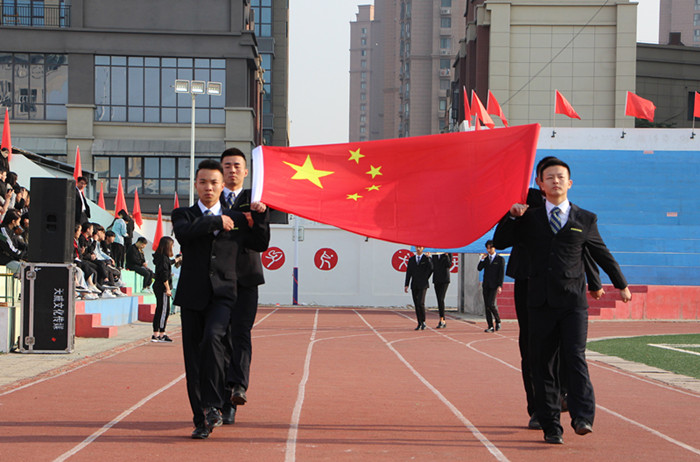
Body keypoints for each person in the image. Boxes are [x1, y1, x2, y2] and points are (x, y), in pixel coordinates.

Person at [493, 158, 631, 445]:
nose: (556, 181)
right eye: (549, 177)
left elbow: (597, 253)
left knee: (575, 356)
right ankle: (550, 424)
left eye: (561, 177)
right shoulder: (529, 216)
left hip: (572, 301)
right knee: (540, 361)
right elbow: (502, 241)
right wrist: (512, 216)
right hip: (539, 300)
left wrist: (620, 283)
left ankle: (582, 417)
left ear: (569, 183)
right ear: (540, 184)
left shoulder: (585, 219)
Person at [172, 159, 269, 439]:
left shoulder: (237, 219)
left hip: (224, 295)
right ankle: (201, 419)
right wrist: (216, 220)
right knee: (193, 360)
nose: (208, 187)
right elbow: (184, 234)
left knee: (213, 338)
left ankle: (214, 405)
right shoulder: (183, 214)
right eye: (203, 182)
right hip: (192, 297)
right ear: (196, 185)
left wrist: (260, 216)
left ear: (222, 185)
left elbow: (259, 243)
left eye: (214, 183)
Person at [219, 148, 270, 425]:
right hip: (217, 279)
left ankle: (237, 389)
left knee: (240, 334)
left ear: (246, 171)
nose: (232, 170)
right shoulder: (212, 198)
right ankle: (223, 396)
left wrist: (259, 217)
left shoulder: (255, 199)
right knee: (219, 337)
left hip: (247, 279)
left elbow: (261, 243)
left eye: (237, 166)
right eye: (227, 165)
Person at [151, 236, 181, 343]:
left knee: (160, 309)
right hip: (162, 287)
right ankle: (161, 334)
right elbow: (164, 275)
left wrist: (176, 260)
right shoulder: (163, 258)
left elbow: (167, 264)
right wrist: (168, 289)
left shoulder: (161, 257)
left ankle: (157, 334)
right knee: (164, 310)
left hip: (158, 286)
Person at [477, 240, 505, 333]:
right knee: (486, 306)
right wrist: (481, 259)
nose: (489, 250)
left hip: (494, 285)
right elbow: (479, 268)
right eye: (487, 248)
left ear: (494, 248)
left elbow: (501, 274)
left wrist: (500, 286)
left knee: (490, 304)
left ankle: (498, 320)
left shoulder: (500, 259)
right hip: (486, 285)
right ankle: (490, 326)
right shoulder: (486, 259)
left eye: (490, 248)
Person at [404, 246, 433, 330]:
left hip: (423, 284)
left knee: (421, 303)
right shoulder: (412, 259)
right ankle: (419, 322)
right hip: (414, 284)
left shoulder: (426, 258)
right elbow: (408, 273)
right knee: (416, 304)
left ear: (423, 248)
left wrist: (428, 259)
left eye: (420, 247)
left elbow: (431, 268)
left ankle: (423, 321)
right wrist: (406, 284)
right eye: (417, 247)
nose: (418, 249)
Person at [0, 209, 26, 275]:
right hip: (4, 260)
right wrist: (24, 255)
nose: (19, 224)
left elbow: (20, 244)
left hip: (10, 259)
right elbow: (11, 249)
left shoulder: (11, 231)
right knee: (26, 269)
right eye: (18, 222)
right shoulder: (3, 231)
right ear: (13, 221)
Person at [431, 252, 452, 328]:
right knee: (439, 299)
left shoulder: (448, 253)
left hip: (444, 279)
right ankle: (441, 319)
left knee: (441, 298)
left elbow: (449, 264)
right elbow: (432, 267)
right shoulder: (434, 254)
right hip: (436, 279)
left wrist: (446, 256)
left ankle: (442, 319)